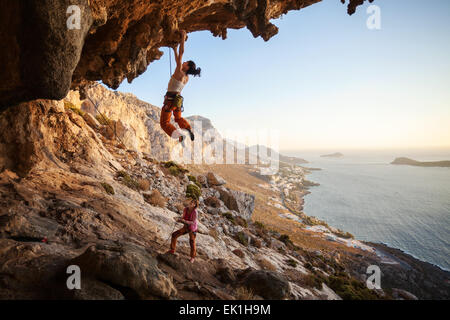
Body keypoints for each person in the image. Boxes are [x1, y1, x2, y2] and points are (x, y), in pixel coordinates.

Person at [160, 30, 201, 145]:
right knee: (177, 118)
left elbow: (181, 54)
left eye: (185, 62)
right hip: (178, 101)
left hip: (170, 101)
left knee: (165, 123)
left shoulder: (179, 72)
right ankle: (188, 128)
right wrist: (173, 49)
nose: (183, 62)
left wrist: (183, 38)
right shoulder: (185, 77)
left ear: (187, 67)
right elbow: (178, 60)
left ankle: (179, 136)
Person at [169, 198, 199, 263]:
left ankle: (192, 257)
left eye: (193, 203)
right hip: (186, 227)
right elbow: (183, 217)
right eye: (191, 202)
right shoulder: (185, 209)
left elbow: (193, 222)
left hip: (192, 229)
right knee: (174, 235)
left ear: (195, 205)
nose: (191, 203)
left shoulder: (195, 212)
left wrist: (184, 221)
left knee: (192, 242)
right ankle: (172, 250)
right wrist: (178, 219)